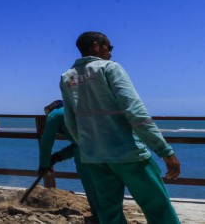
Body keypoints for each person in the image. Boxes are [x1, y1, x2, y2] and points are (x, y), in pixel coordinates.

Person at [60, 31, 180, 224]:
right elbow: (136, 112)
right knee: (158, 207)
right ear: (96, 46)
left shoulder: (67, 77)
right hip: (128, 154)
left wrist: (87, 147)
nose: (111, 53)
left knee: (110, 213)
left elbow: (70, 122)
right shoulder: (109, 68)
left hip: (95, 157)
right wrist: (164, 150)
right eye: (109, 47)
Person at [38, 99, 99, 220]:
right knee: (104, 185)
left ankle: (99, 215)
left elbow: (46, 142)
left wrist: (44, 164)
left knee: (91, 184)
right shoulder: (73, 112)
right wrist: (57, 157)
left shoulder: (54, 115)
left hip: (87, 154)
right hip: (104, 146)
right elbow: (78, 143)